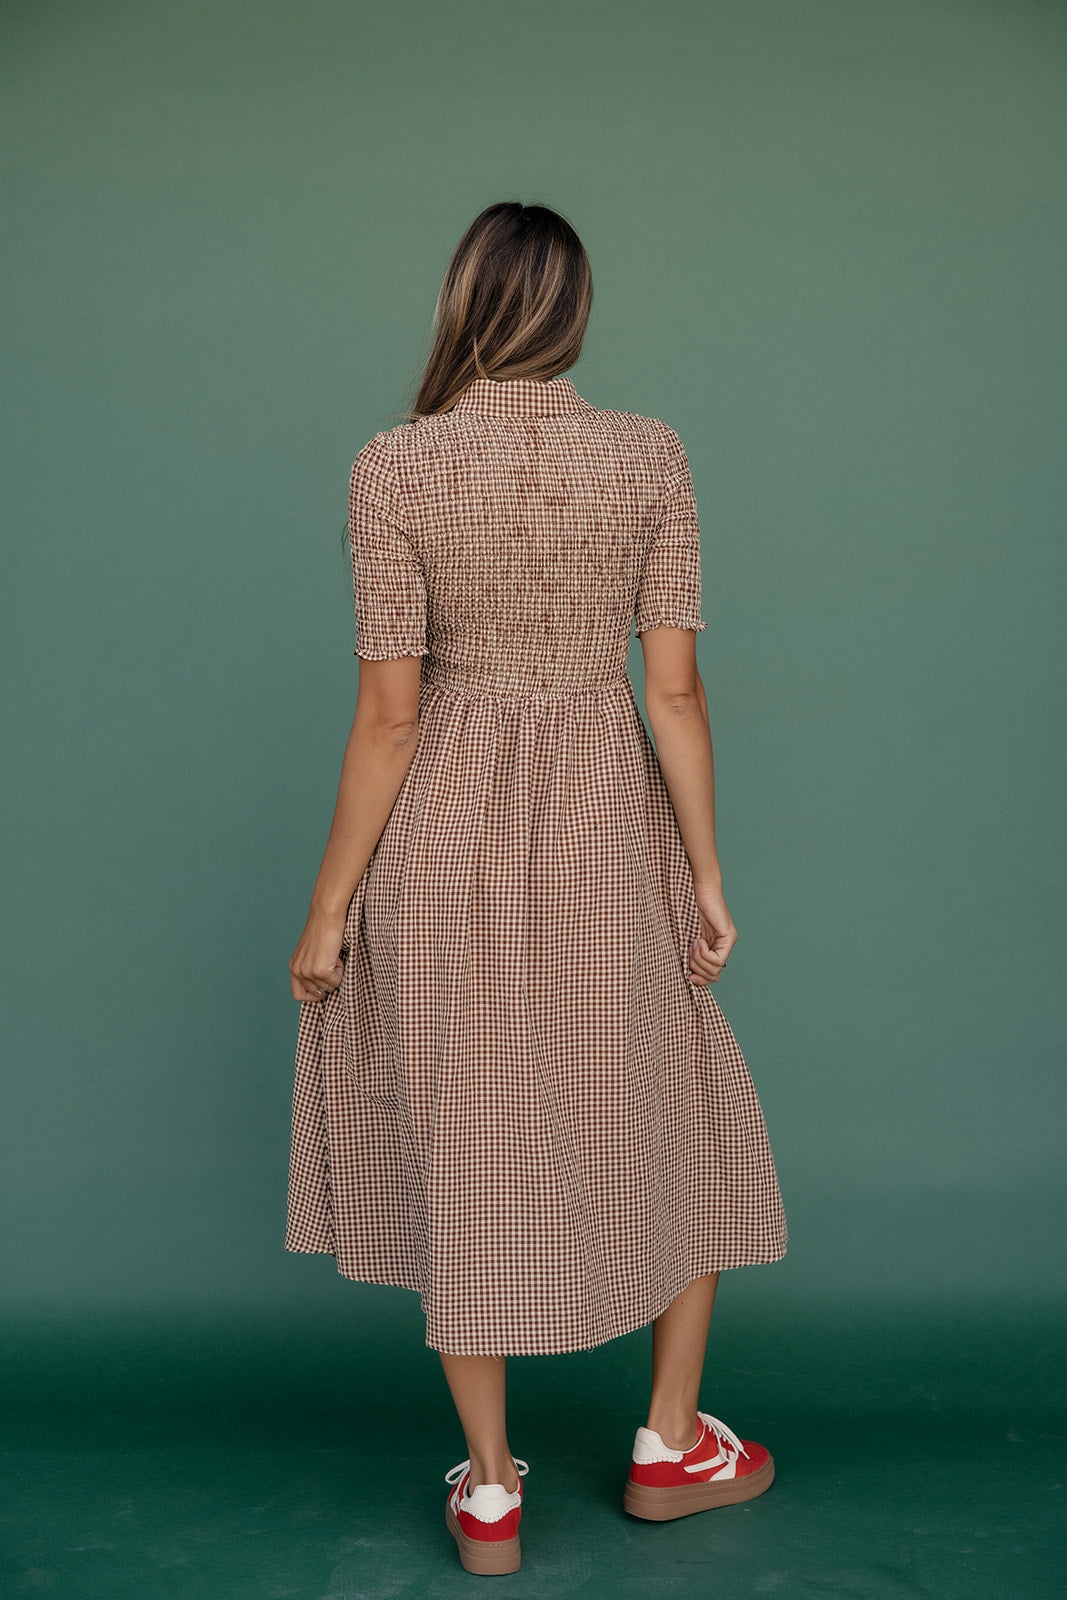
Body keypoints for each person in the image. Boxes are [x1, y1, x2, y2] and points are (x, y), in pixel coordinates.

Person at [285, 201, 788, 1576]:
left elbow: (389, 714)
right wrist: (704, 869)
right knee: (677, 1102)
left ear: (462, 302)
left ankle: (495, 1489)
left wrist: (328, 910)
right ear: (573, 311)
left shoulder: (391, 466)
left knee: (471, 1126)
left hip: (440, 829)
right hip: (600, 826)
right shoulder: (648, 455)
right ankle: (671, 1439)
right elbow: (670, 686)